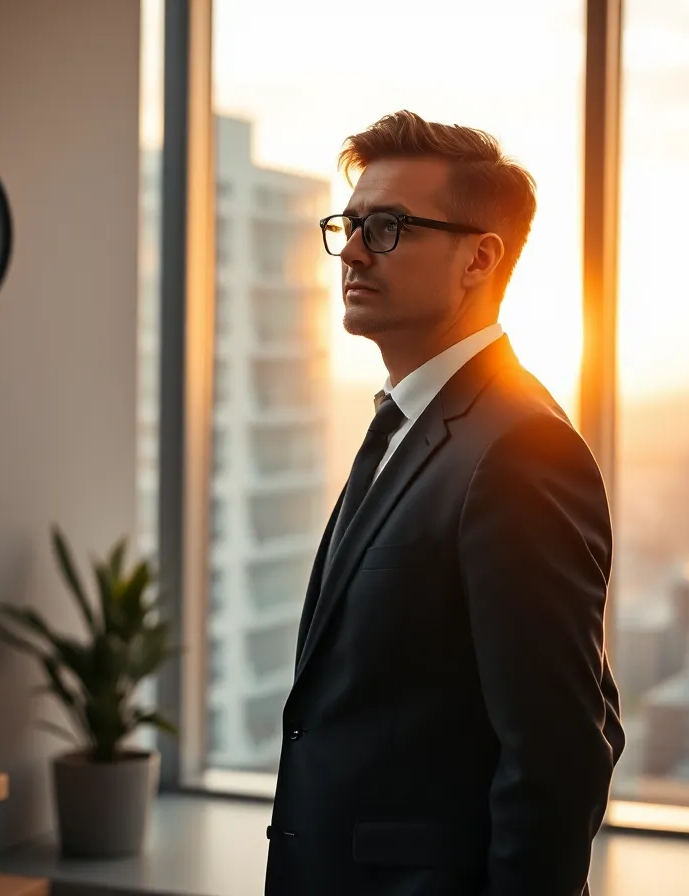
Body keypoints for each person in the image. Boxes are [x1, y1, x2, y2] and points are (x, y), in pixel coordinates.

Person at [265, 110, 624, 896]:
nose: (352, 252)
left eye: (387, 227)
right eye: (349, 225)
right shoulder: (407, 424)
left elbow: (559, 756)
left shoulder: (521, 449)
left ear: (479, 259)